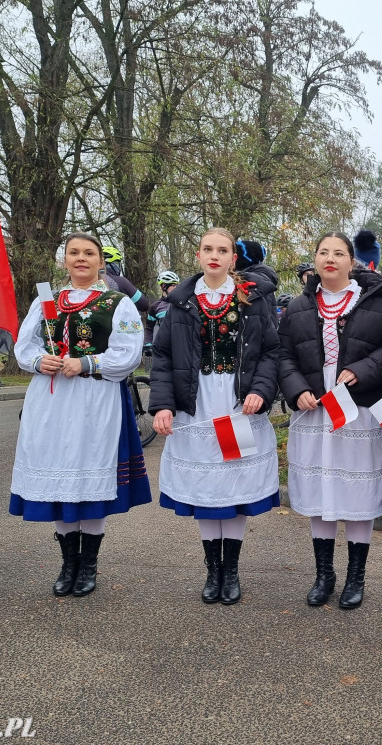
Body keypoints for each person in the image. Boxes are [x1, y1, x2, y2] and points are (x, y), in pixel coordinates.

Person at [9, 233, 152, 597]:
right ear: (64, 260)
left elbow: (129, 352)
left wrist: (87, 362)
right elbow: (24, 345)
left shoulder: (116, 302)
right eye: (74, 253)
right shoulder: (46, 301)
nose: (81, 259)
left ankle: (88, 565)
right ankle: (67, 563)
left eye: (89, 253)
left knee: (90, 478)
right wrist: (39, 360)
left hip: (96, 399)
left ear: (100, 262)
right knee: (59, 477)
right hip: (52, 401)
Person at [150, 227, 280, 605]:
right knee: (207, 490)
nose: (215, 255)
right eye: (208, 248)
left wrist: (260, 390)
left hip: (238, 404)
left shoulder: (252, 301)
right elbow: (163, 358)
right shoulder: (181, 303)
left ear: (232, 259)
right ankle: (213, 570)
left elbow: (271, 351)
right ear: (198, 254)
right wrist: (162, 405)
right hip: (197, 405)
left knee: (234, 486)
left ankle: (233, 569)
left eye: (222, 250)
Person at [279, 232, 382, 609]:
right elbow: (284, 357)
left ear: (351, 262)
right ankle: (324, 574)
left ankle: (355, 578)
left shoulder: (377, 305)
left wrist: (360, 370)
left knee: (355, 492)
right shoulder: (297, 308)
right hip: (314, 411)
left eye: (339, 253)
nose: (330, 258)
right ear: (315, 260)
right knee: (321, 493)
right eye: (323, 252)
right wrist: (297, 389)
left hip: (358, 412)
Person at [101, 246, 150, 315]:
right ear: (113, 264)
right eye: (117, 263)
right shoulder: (119, 281)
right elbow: (143, 304)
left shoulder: (86, 281)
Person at [145, 270, 180, 347]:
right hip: (164, 347)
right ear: (164, 286)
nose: (176, 288)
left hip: (181, 346)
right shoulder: (155, 306)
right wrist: (148, 343)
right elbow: (149, 328)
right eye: (173, 285)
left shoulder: (182, 303)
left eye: (177, 285)